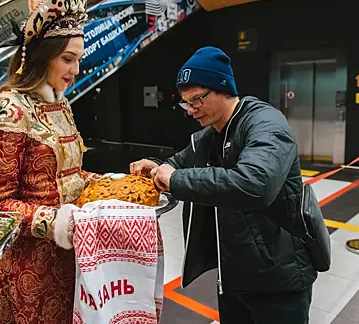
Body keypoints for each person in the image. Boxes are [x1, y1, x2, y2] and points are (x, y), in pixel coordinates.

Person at [130, 47, 317, 323]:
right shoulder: (209, 136)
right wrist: (155, 167)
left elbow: (255, 184)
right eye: (185, 103)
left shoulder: (265, 123)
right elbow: (178, 164)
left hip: (278, 280)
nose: (191, 110)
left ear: (223, 89)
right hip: (233, 276)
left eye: (197, 100)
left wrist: (176, 179)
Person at [0, 0, 99, 323]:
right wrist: (57, 221)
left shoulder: (61, 105)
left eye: (78, 59)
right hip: (32, 268)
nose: (75, 71)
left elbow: (69, 176)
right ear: (42, 57)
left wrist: (104, 183)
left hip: (76, 258)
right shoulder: (9, 109)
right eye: (67, 59)